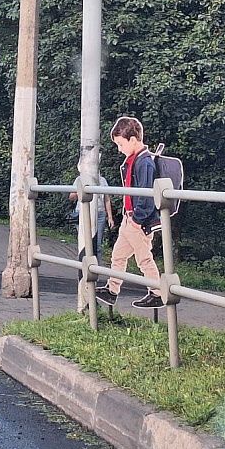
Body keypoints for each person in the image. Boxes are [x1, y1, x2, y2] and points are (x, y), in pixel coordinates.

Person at [96, 116, 164, 309]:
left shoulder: (144, 162)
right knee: (118, 255)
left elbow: (146, 195)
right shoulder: (134, 160)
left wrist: (137, 219)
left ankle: (158, 293)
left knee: (144, 258)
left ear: (133, 140)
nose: (119, 149)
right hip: (130, 218)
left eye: (120, 144)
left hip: (137, 220)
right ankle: (112, 290)